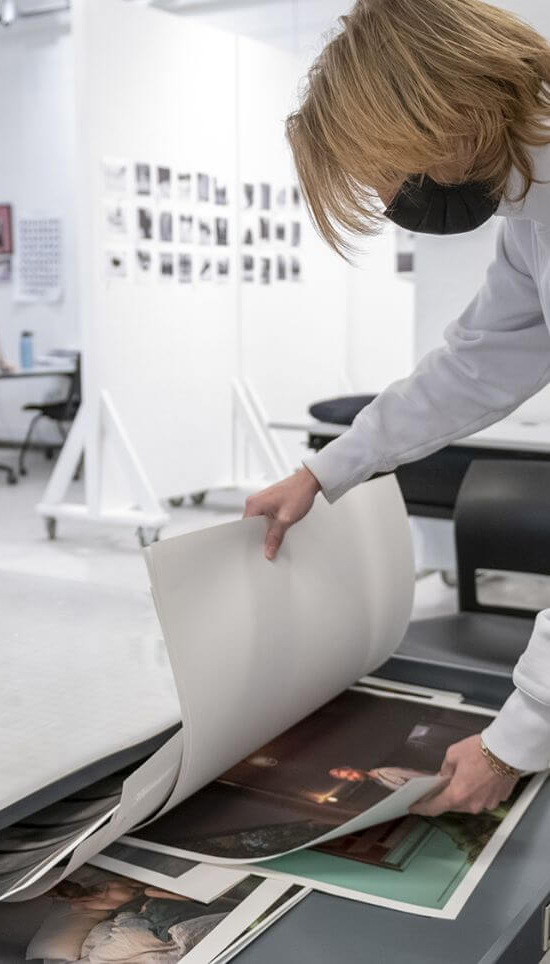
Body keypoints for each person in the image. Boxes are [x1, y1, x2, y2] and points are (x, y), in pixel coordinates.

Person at [245, 0, 550, 817]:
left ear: (441, 111)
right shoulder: (533, 212)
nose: (386, 199)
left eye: (382, 167)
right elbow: (476, 364)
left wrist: (512, 739)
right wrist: (325, 468)